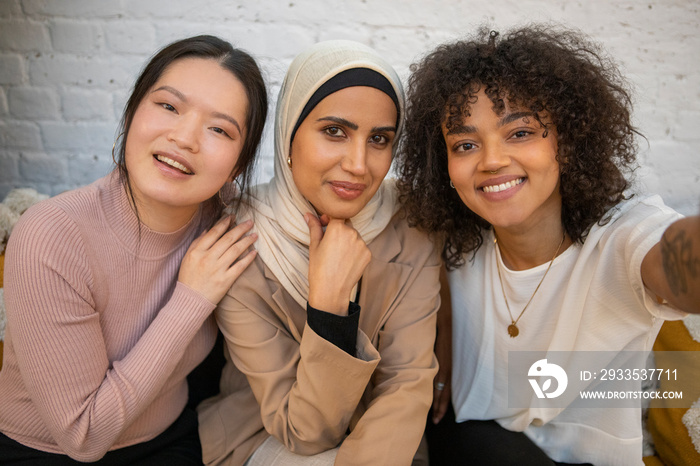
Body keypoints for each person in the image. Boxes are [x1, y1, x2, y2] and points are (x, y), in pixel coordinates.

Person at [396, 24, 700, 466]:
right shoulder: (449, 237)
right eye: (465, 144)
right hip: (469, 445)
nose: (492, 160)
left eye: (520, 133)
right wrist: (438, 304)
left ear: (568, 139)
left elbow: (675, 258)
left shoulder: (620, 237)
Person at [0, 35, 268, 465]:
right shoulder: (51, 236)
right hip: (46, 453)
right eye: (168, 106)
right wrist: (192, 297)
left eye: (219, 129)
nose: (184, 137)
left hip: (177, 436)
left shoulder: (227, 224)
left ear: (238, 163)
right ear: (132, 113)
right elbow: (83, 437)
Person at [197, 40, 441, 466]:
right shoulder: (240, 240)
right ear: (289, 134)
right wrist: (329, 308)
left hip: (384, 443)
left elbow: (405, 384)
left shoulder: (410, 225)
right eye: (334, 132)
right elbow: (303, 433)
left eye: (379, 139)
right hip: (265, 438)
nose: (358, 164)